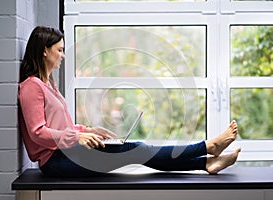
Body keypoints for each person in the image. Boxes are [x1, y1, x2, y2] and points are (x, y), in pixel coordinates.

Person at [18, 26, 241, 178]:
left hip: (68, 152)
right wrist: (78, 136)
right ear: (45, 51)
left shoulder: (49, 85)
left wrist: (88, 130)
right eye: (60, 50)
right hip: (55, 162)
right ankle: (207, 148)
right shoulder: (31, 86)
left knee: (136, 150)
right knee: (136, 149)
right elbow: (38, 133)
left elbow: (60, 127)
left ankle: (206, 162)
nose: (63, 55)